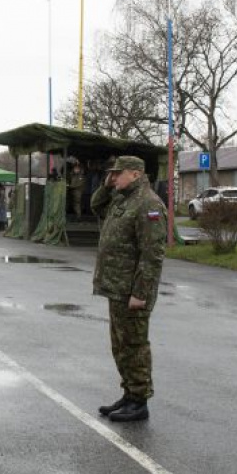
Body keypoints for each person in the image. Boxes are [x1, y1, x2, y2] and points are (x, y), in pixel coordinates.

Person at [91, 156, 166, 423]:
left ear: (135, 174)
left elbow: (152, 254)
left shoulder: (148, 204)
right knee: (120, 345)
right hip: (116, 287)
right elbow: (96, 206)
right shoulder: (122, 198)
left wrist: (140, 293)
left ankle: (139, 401)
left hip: (132, 291)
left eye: (118, 173)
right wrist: (106, 185)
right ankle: (129, 394)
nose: (113, 177)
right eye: (111, 173)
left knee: (134, 345)